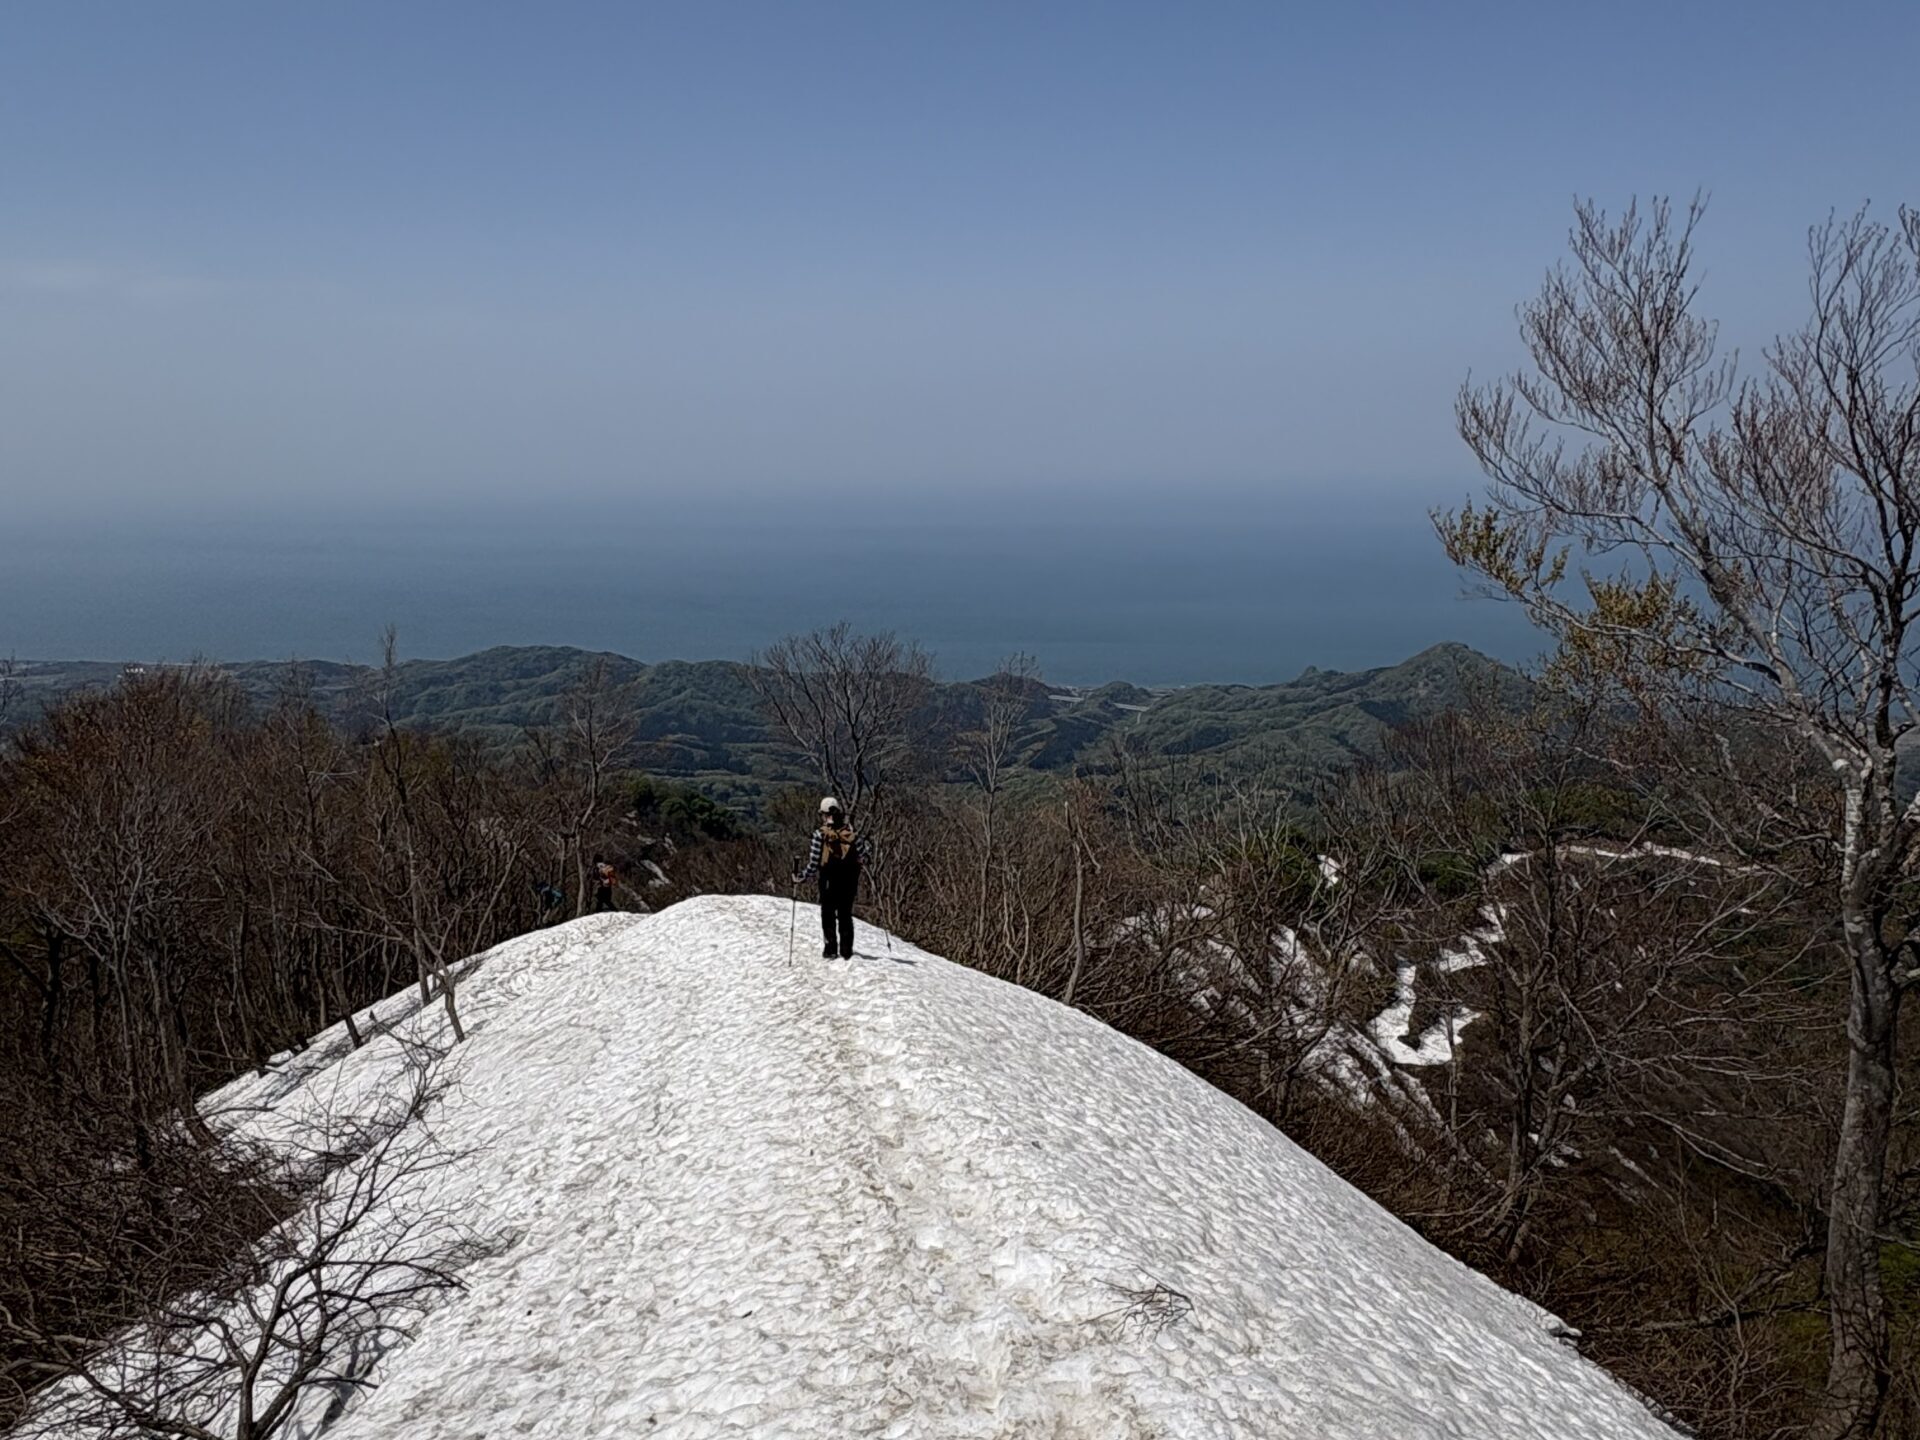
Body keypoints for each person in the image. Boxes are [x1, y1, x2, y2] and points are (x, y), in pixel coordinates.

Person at [793, 797, 871, 958]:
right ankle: (846, 951)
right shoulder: (851, 834)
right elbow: (865, 856)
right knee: (845, 914)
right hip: (849, 881)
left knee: (828, 914)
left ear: (824, 814)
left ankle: (830, 949)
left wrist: (802, 876)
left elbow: (814, 863)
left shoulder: (819, 835)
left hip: (828, 880)